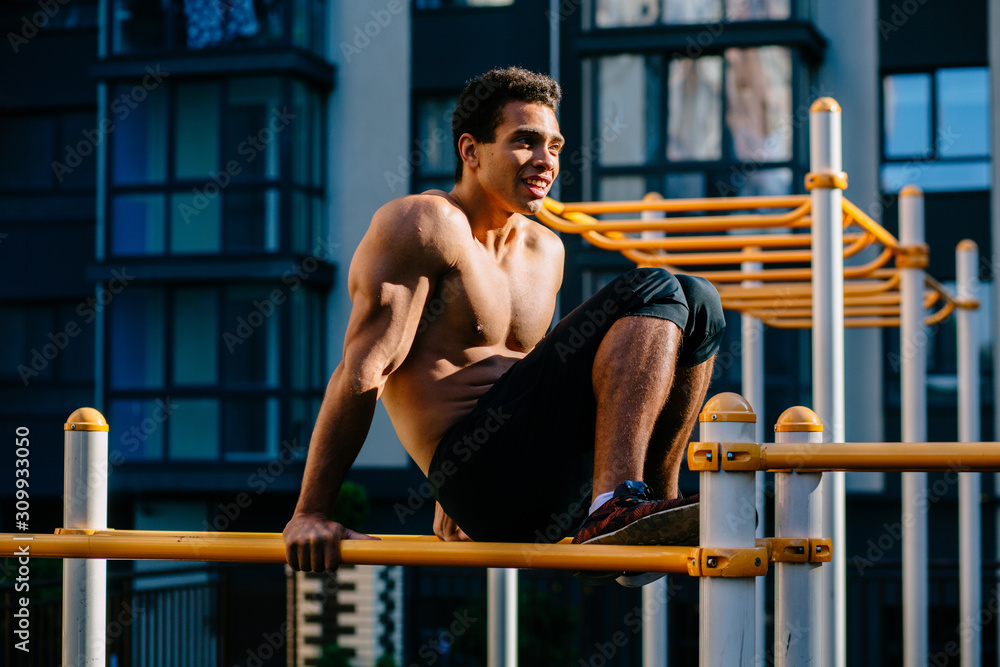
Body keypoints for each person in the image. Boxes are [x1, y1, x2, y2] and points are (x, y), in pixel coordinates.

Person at [282, 67, 725, 586]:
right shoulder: (425, 224)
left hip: (542, 483)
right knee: (650, 286)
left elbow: (546, 384)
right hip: (477, 475)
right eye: (525, 142)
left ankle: (650, 505)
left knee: (700, 299)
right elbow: (364, 369)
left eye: (554, 146)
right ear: (470, 151)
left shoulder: (546, 250)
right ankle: (616, 507)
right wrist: (310, 511)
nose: (546, 161)